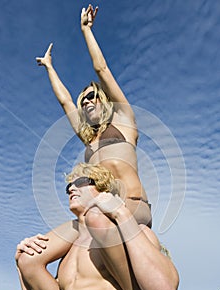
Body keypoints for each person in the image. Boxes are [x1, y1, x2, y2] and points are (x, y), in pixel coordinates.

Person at [16, 163, 179, 290]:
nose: (71, 188)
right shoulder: (67, 256)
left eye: (81, 181)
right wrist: (22, 265)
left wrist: (121, 213)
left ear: (103, 188)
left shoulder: (132, 233)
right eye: (68, 186)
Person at [36, 4, 152, 231]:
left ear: (103, 98)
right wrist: (49, 67)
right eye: (84, 101)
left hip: (131, 207)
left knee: (96, 220)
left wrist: (86, 31)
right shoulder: (89, 137)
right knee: (31, 255)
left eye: (91, 96)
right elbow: (66, 102)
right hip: (96, 211)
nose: (87, 101)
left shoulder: (123, 119)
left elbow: (102, 70)